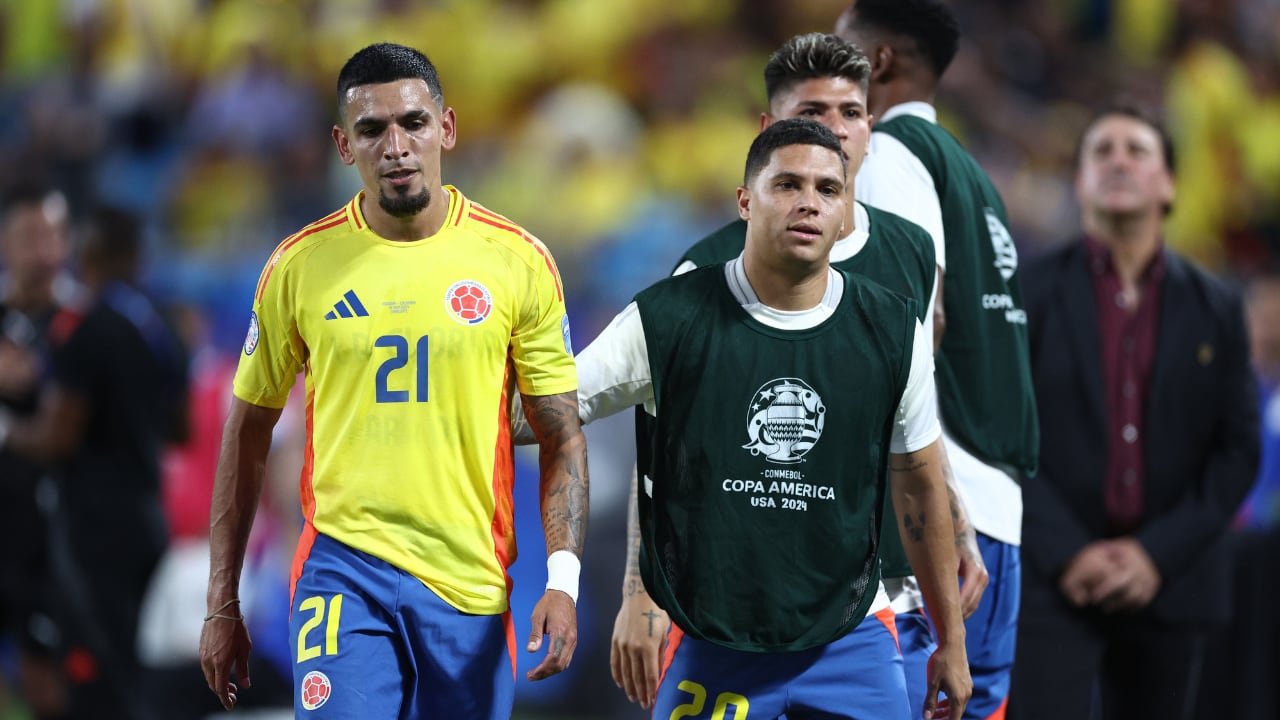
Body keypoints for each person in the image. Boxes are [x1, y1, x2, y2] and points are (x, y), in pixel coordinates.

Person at [198, 42, 588, 720]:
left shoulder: (517, 262)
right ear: (344, 146)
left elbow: (561, 434)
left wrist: (563, 581)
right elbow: (248, 429)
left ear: (448, 128)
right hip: (343, 571)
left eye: (413, 122)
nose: (396, 145)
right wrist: (222, 599)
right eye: (372, 130)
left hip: (467, 578)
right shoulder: (299, 266)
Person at [606, 33, 987, 719]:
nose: (834, 128)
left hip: (886, 598)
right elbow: (665, 454)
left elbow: (912, 433)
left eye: (851, 111)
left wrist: (958, 524)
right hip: (753, 605)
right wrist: (639, 590)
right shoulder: (704, 277)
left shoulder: (909, 251)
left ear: (871, 123)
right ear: (768, 136)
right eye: (813, 113)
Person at [1010, 105, 1259, 720]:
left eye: (1136, 150)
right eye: (1102, 151)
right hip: (1051, 579)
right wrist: (1069, 551)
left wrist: (1154, 554)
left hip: (1174, 583)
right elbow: (1002, 435)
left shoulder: (1219, 306)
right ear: (1080, 182)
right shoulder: (1027, 291)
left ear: (1170, 183)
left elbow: (1238, 450)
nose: (1118, 160)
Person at [837, 3, 1040, 717]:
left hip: (945, 513)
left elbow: (916, 321)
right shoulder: (972, 174)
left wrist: (936, 501)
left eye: (842, 48)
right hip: (1002, 511)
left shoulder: (890, 158)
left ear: (881, 62)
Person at [0, 204, 189, 719]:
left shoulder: (85, 327)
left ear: (91, 251)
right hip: (149, 514)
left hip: (93, 528)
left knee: (95, 676)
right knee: (134, 663)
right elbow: (183, 428)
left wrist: (9, 430)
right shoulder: (159, 323)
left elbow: (57, 439)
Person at [0, 183, 76, 719]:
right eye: (30, 236)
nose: (44, 249)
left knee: (52, 684)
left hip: (58, 532)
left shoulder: (82, 325)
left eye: (53, 234)